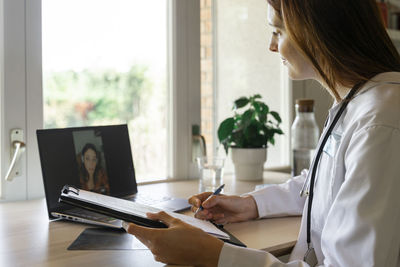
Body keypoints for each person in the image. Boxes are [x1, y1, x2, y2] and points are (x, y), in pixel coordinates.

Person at [123, 0, 400, 266]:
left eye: (278, 31)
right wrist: (250, 204)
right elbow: (326, 184)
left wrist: (213, 254)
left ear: (315, 31)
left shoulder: (380, 123)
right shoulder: (360, 103)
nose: (271, 45)